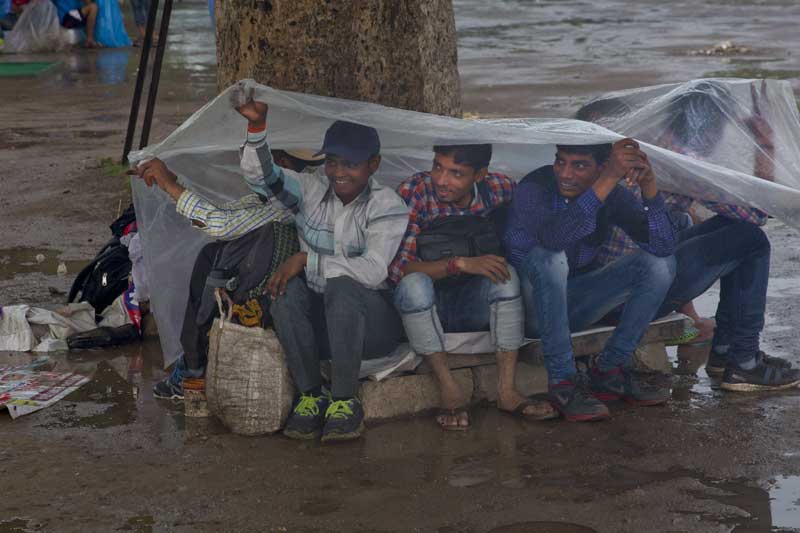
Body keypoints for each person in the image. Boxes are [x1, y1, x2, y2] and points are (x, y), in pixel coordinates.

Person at [585, 80, 795, 384]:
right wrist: (765, 146)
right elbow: (758, 213)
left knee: (731, 228)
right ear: (712, 129)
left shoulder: (652, 148)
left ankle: (726, 351)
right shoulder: (681, 161)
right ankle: (743, 359)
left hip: (605, 286)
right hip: (625, 299)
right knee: (751, 239)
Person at [234, 89, 409, 443]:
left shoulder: (387, 205)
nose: (338, 172)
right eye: (331, 161)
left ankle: (345, 401)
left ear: (373, 164)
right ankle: (311, 395)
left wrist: (306, 260)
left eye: (350, 163)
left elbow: (374, 270)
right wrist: (258, 127)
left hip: (369, 328)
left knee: (343, 285)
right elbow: (262, 179)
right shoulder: (311, 189)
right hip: (323, 327)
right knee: (283, 291)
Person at [505, 139, 678, 422]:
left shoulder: (612, 194)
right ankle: (563, 383)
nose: (565, 173)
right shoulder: (534, 187)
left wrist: (649, 188)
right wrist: (609, 177)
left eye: (580, 165)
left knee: (659, 264)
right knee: (551, 257)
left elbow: (664, 247)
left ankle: (610, 370)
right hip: (531, 311)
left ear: (600, 167)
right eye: (560, 161)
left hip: (573, 304)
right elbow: (553, 238)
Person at [390, 144, 557, 430]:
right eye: (438, 166)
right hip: (427, 309)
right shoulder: (416, 191)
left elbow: (540, 214)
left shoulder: (500, 188)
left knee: (507, 275)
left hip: (474, 305)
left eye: (457, 173)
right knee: (413, 284)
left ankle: (507, 392)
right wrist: (458, 264)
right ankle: (448, 389)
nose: (442, 180)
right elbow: (397, 270)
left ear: (480, 175)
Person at [132, 150, 323, 399]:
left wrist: (169, 185)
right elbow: (219, 214)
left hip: (276, 299)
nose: (247, 171)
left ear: (282, 164)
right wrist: (173, 185)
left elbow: (219, 223)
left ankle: (195, 367)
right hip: (269, 293)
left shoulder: (287, 207)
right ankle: (193, 363)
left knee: (219, 256)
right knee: (211, 254)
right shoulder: (271, 199)